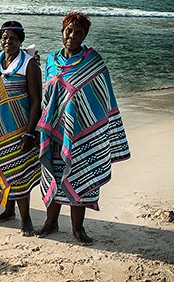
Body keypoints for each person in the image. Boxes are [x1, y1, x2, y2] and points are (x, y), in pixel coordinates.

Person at [36, 12, 130, 244]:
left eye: (79, 32)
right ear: (62, 32)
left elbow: (103, 98)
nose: (73, 35)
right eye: (69, 30)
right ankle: (51, 222)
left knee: (81, 179)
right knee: (54, 176)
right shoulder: (51, 60)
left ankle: (78, 228)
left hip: (82, 134)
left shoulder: (93, 62)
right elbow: (47, 96)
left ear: (84, 35)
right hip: (55, 133)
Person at [0, 21, 42, 236]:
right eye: (4, 37)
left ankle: (26, 219)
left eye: (12, 38)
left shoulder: (29, 65)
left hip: (20, 129)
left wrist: (30, 132)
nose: (7, 41)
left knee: (19, 173)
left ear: (20, 41)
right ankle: (8, 211)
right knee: (2, 171)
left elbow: (35, 101)